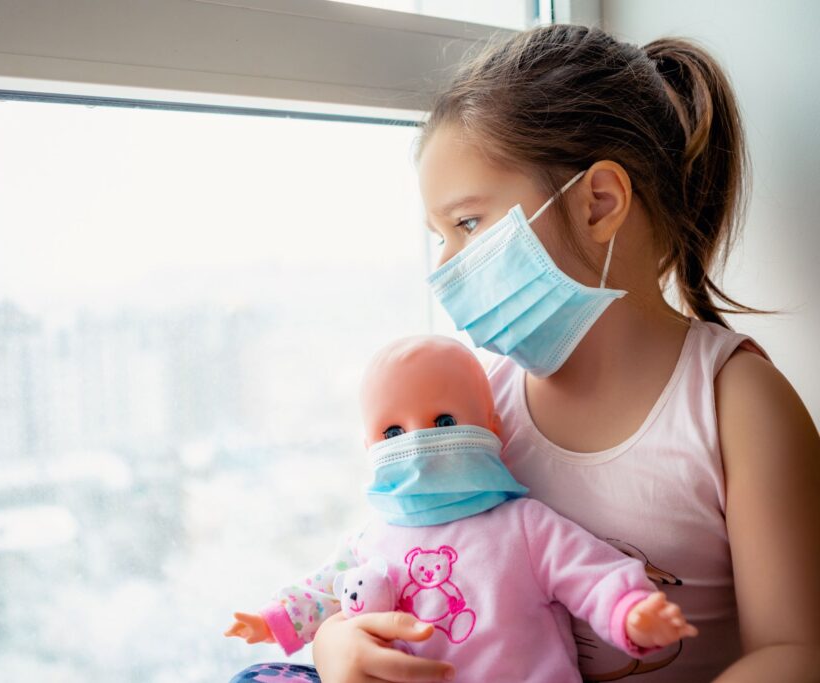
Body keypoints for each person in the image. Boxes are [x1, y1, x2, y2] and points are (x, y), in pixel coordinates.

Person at [230, 23, 819, 683]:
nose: (445, 265)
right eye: (440, 235)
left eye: (468, 223)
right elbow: (397, 550)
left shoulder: (736, 403)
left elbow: (795, 651)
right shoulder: (484, 403)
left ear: (598, 204)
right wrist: (337, 644)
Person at [226, 335, 698, 682]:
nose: (418, 440)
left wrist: (630, 611)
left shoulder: (523, 527)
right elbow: (325, 589)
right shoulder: (369, 540)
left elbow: (591, 574)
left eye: (444, 421)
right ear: (369, 447)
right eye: (394, 433)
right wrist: (273, 619)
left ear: (493, 429)